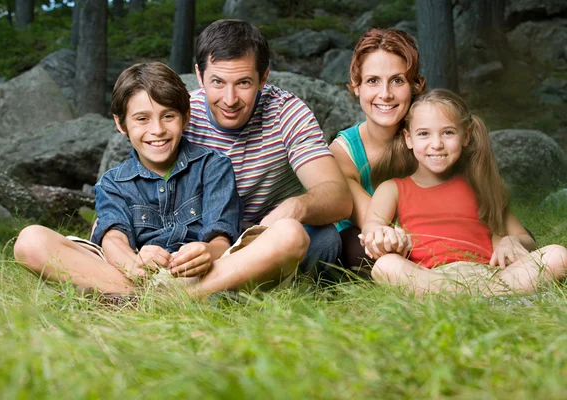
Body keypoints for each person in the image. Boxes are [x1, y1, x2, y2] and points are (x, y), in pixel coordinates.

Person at [13, 62, 308, 299]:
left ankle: (172, 297)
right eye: (142, 119)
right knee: (30, 240)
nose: (157, 130)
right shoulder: (113, 182)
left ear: (186, 117)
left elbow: (221, 237)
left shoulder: (213, 166)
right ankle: (146, 295)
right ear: (121, 123)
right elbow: (112, 237)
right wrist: (134, 262)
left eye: (168, 116)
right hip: (132, 273)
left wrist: (205, 252)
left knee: (291, 234)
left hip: (205, 271)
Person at [184, 19, 352, 278]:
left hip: (271, 232)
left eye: (243, 83)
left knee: (325, 241)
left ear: (263, 78)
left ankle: (220, 283)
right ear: (199, 76)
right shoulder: (181, 115)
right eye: (217, 82)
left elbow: (340, 199)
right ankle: (239, 282)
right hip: (203, 233)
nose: (229, 100)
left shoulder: (287, 112)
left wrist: (296, 207)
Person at [360, 88, 567, 296]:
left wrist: (511, 241)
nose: (437, 144)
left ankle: (462, 297)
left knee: (558, 255)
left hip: (489, 274)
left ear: (465, 136)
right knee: (386, 266)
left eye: (448, 132)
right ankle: (488, 297)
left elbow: (526, 239)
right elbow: (371, 228)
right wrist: (383, 237)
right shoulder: (393, 188)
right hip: (429, 276)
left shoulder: (480, 185)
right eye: (424, 134)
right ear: (409, 139)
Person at [329, 28, 425, 273]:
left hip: (423, 236)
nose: (385, 94)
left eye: (397, 80)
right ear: (356, 86)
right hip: (369, 242)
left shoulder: (430, 140)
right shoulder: (342, 152)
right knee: (356, 246)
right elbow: (374, 223)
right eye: (373, 81)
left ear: (414, 85)